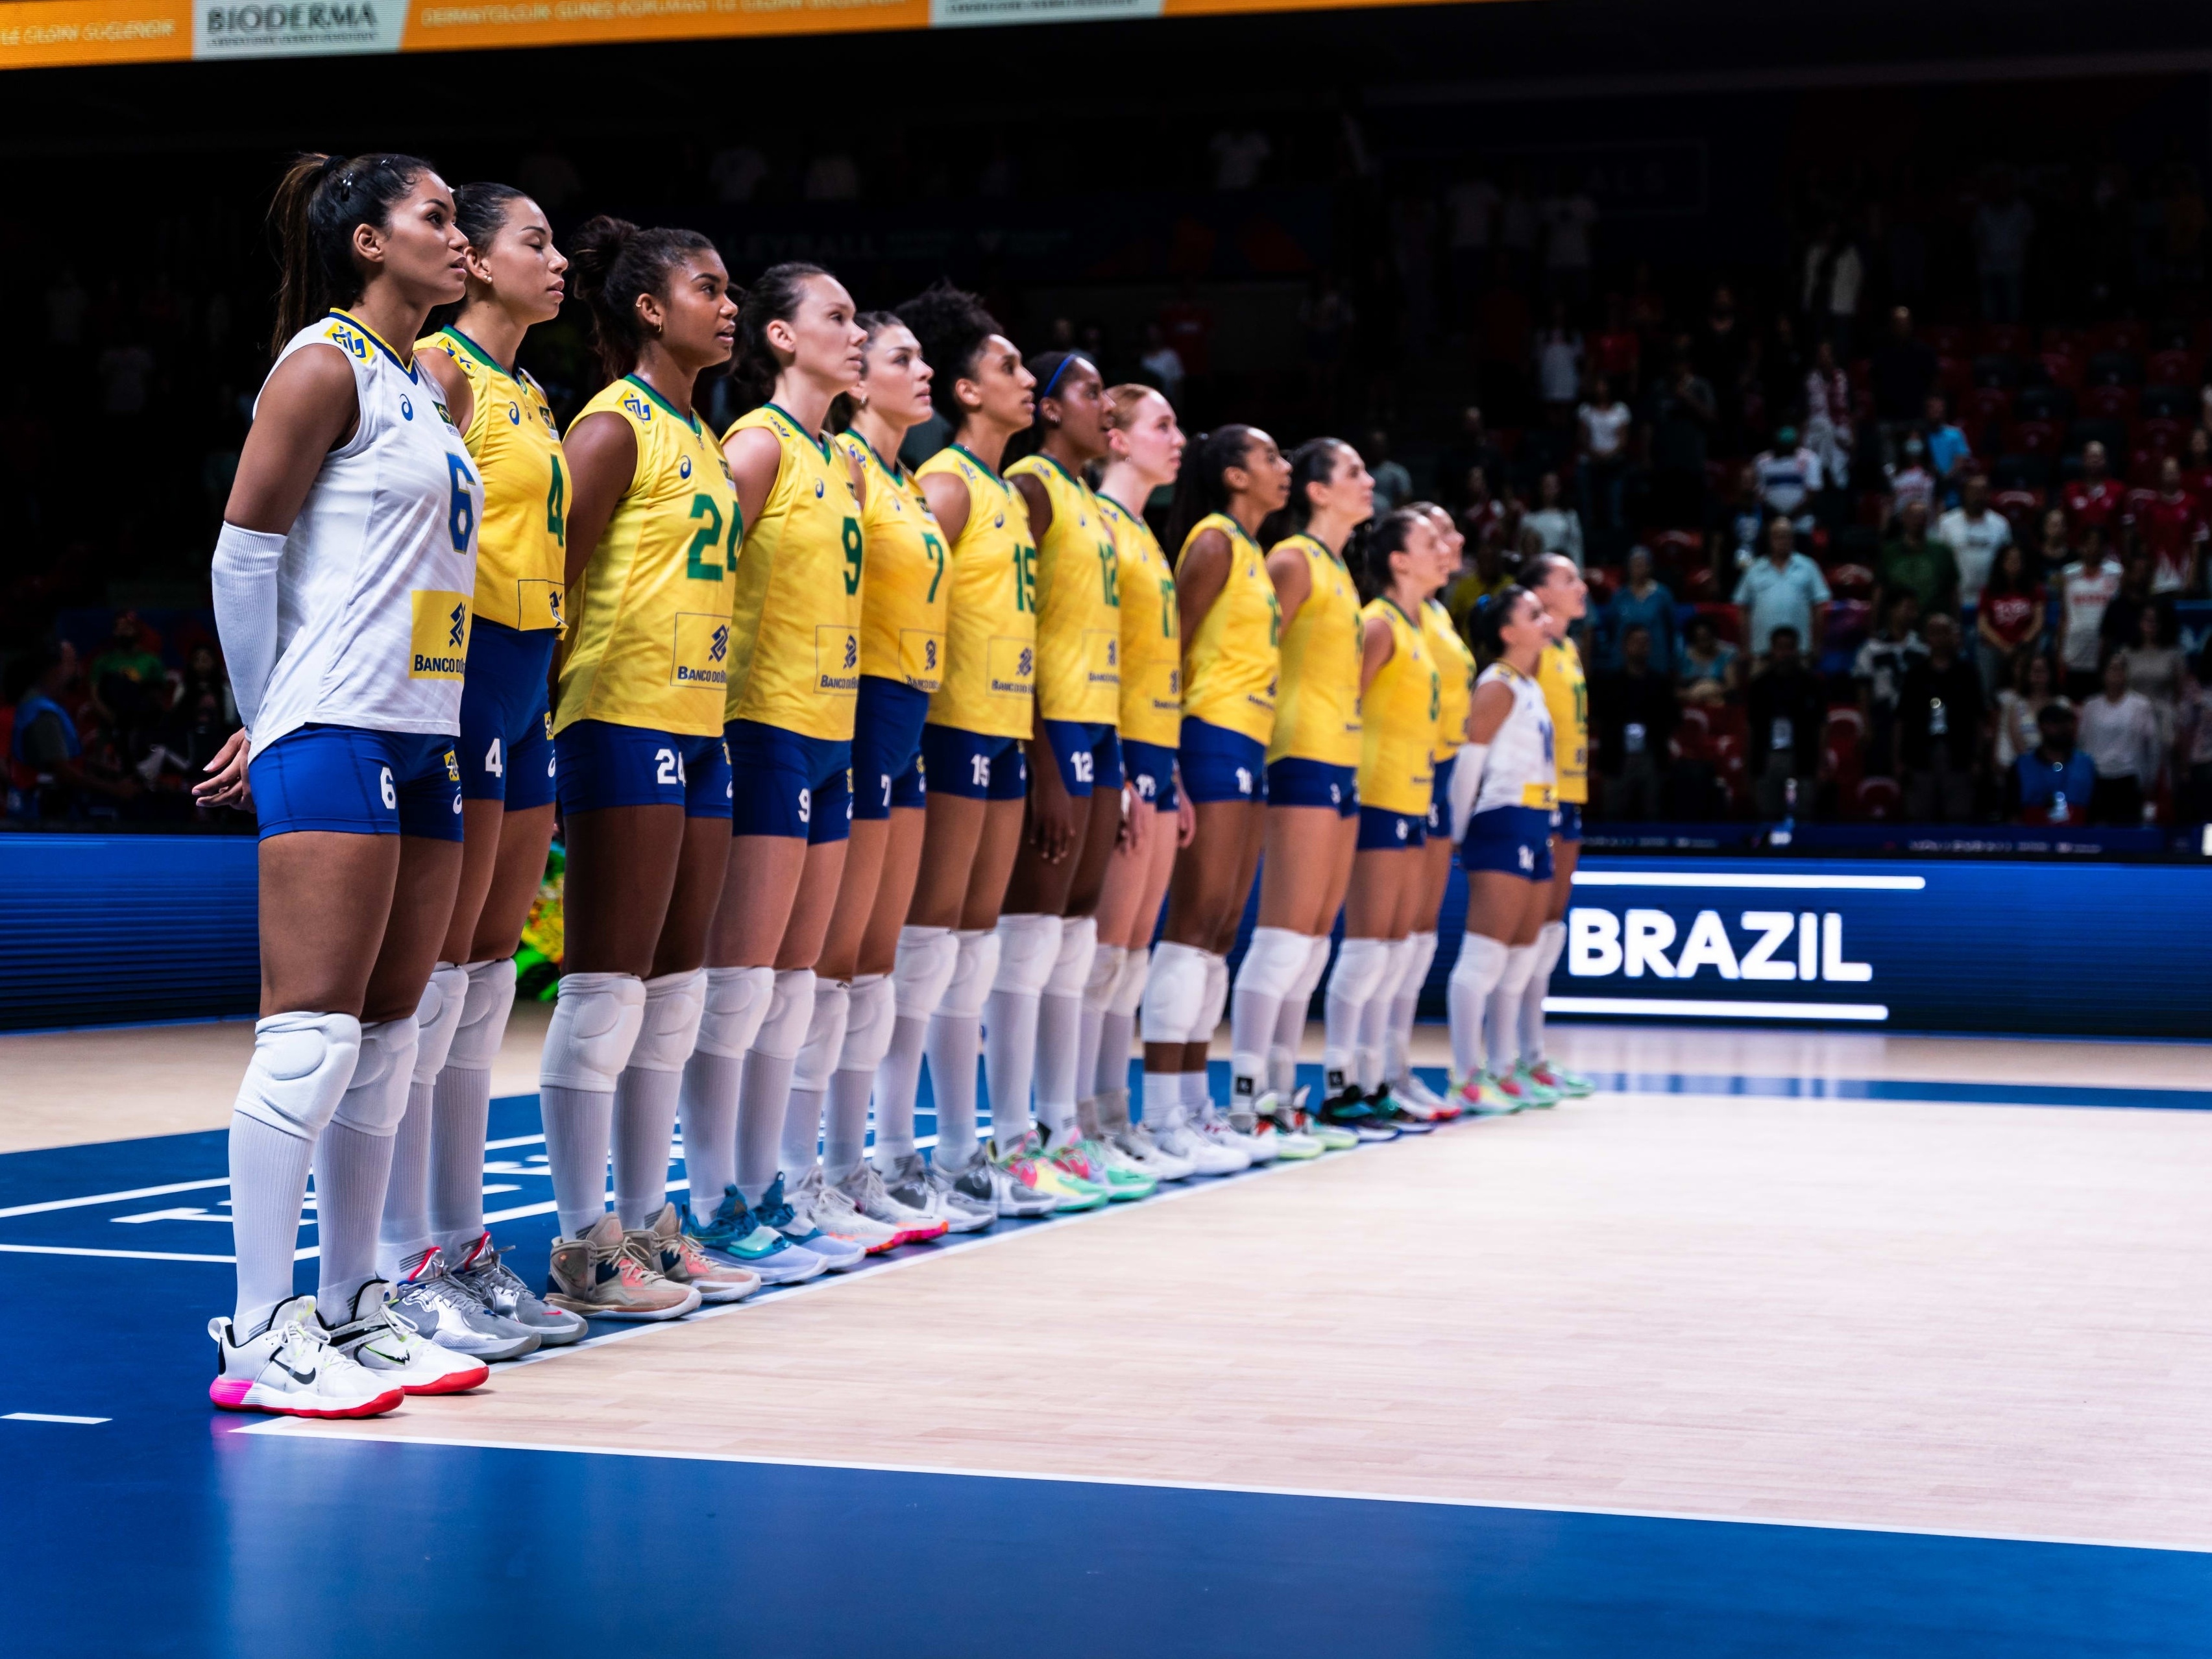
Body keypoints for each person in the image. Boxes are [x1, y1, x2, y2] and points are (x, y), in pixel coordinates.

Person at [198, 153, 496, 1417]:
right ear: (369, 241)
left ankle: (360, 1308)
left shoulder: (430, 391)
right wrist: (264, 717)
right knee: (312, 1036)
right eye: (437, 217)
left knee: (389, 1041)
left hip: (422, 734)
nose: (460, 234)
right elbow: (241, 550)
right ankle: (263, 1331)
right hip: (329, 725)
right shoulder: (322, 365)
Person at [539, 215, 770, 1313]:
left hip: (699, 721)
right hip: (619, 715)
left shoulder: (705, 439)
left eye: (731, 291)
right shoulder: (611, 428)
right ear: (646, 309)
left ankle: (647, 1226)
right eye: (707, 287)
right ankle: (583, 1242)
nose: (728, 306)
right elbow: (551, 584)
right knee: (604, 988)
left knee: (676, 994)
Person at [383, 182, 587, 1347]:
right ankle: (405, 1261)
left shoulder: (527, 392)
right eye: (534, 242)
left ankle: (459, 1244)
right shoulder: (445, 374)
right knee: (430, 986)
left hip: (524, 692)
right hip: (456, 680)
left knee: (485, 984)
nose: (553, 262)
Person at [684, 263, 901, 1274]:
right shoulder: (758, 446)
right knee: (743, 982)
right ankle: (712, 1201)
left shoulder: (844, 464)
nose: (854, 334)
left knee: (798, 983)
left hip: (832, 731)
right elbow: (706, 583)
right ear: (780, 338)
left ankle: (770, 1186)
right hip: (762, 725)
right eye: (838, 317)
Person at [865, 283, 1052, 1222]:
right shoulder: (941, 484)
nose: (1026, 381)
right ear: (970, 393)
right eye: (1008, 367)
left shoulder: (1001, 492)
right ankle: (896, 1150)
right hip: (941, 727)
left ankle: (955, 1147)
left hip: (1006, 726)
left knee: (969, 954)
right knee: (926, 949)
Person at [816, 314, 974, 1242]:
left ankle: (853, 1163)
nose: (923, 372)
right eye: (902, 359)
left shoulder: (910, 481)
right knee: (833, 964)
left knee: (876, 965)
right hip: (856, 706)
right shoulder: (840, 463)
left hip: (907, 710)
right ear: (856, 377)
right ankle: (805, 1175)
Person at [999, 352, 1156, 1202]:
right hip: (1048, 727)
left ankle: (1061, 1131)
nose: (1105, 405)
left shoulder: (1093, 508)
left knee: (1074, 948)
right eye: (1091, 392)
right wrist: (1040, 755)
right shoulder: (1029, 485)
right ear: (1053, 408)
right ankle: (1010, 1140)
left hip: (1100, 730)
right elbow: (1004, 617)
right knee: (1027, 946)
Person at [1143, 425, 1291, 1170]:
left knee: (1222, 929)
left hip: (1248, 740)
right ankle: (1162, 1113)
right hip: (1207, 737)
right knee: (1193, 923)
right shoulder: (1213, 543)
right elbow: (1170, 648)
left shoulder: (1253, 550)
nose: (1283, 468)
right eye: (1270, 457)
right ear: (1234, 475)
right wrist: (1165, 759)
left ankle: (1194, 1104)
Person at [1230, 437, 1374, 1154]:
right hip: (1294, 756)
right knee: (1284, 936)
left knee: (1313, 942)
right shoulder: (1291, 560)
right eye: (1353, 472)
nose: (1368, 480)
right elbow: (1252, 653)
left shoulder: (1338, 570)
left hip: (1339, 760)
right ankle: (1246, 1099)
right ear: (1318, 490)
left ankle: (1283, 1097)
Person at [1083, 385, 1200, 1178]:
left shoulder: (1148, 537)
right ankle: (1076, 1124)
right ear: (1116, 439)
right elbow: (1094, 659)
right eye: (1162, 425)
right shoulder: (1098, 526)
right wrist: (1118, 762)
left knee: (1129, 956)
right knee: (1099, 955)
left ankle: (1113, 1118)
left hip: (1158, 760)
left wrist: (1173, 770)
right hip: (1116, 759)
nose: (1178, 437)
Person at [1318, 508, 1448, 1136]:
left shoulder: (1418, 625)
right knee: (1369, 948)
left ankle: (1374, 1080)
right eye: (1428, 542)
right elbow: (1348, 705)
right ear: (1398, 560)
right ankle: (1342, 1085)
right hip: (1374, 796)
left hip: (1410, 796)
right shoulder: (1379, 624)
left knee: (1392, 952)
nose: (1442, 548)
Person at [1443, 587, 1557, 1113]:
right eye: (1533, 614)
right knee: (1485, 956)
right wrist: (1458, 832)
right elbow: (1469, 764)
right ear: (1508, 632)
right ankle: (1465, 1073)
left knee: (1519, 957)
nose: (1545, 619)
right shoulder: (1497, 685)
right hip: (1501, 819)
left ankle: (1503, 1065)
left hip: (1536, 821)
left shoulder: (1529, 685)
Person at [1386, 500, 1479, 1113]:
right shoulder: (1397, 618)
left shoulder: (1438, 614)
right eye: (1439, 534)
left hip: (1438, 774)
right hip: (1404, 772)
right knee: (1393, 939)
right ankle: (1378, 1072)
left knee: (1418, 940)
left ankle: (1396, 1068)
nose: (1455, 541)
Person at [1516, 552, 1597, 1102]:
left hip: (1570, 796)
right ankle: (1509, 1056)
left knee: (1549, 932)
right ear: (1540, 595)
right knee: (1523, 934)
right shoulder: (1534, 650)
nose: (1581, 586)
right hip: (1536, 799)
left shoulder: (1567, 648)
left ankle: (1533, 1052)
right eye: (1567, 579)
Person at [9, 640, 138, 819]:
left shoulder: (50, 706)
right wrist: (115, 789)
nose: (78, 669)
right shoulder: (43, 713)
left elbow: (66, 760)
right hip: (41, 816)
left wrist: (105, 769)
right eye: (72, 662)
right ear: (56, 668)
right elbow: (63, 773)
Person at [1897, 612, 1984, 821]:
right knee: (1920, 817)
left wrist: (1977, 758)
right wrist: (1899, 759)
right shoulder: (1915, 675)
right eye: (1934, 633)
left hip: (1958, 755)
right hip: (1921, 755)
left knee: (1958, 817)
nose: (1939, 638)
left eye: (1944, 632)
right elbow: (1902, 719)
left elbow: (1978, 719)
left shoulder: (1967, 673)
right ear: (1927, 638)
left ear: (1953, 636)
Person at [1591, 622, 1678, 818]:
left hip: (1651, 756)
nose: (1641, 646)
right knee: (1613, 813)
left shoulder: (1660, 682)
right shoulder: (1609, 683)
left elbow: (1673, 718)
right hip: (1617, 756)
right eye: (1635, 642)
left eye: (1645, 642)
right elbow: (1598, 718)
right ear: (1624, 646)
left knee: (1653, 811)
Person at [1745, 625, 1825, 818]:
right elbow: (1750, 726)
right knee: (1768, 813)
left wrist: (1821, 761)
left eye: (1789, 648)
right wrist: (1748, 765)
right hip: (1767, 755)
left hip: (1803, 755)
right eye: (1780, 648)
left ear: (1796, 650)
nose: (1785, 653)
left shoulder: (1811, 684)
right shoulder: (1759, 684)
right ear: (1772, 650)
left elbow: (1822, 724)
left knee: (1803, 813)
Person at [2075, 653, 2161, 824]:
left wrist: (2148, 782)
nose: (2117, 674)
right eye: (2112, 669)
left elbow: (2152, 747)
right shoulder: (2091, 706)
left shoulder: (2140, 705)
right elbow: (2082, 744)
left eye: (2121, 669)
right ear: (2103, 673)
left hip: (2129, 779)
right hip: (2098, 779)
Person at [1735, 515, 1832, 659]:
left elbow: (1818, 608)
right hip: (1761, 650)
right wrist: (1745, 647)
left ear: (1793, 539)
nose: (1783, 541)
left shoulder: (1809, 566)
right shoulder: (1754, 569)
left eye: (1787, 536)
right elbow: (1743, 609)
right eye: (1778, 536)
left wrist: (1816, 644)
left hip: (1800, 650)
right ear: (1770, 539)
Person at [1853, 590, 1925, 775]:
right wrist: (1866, 724)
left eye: (1915, 609)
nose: (1913, 613)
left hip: (1915, 719)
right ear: (1892, 610)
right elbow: (1863, 689)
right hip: (1883, 718)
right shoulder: (1871, 648)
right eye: (1908, 608)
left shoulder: (1922, 648)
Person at [2057, 527, 2124, 700]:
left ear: (2105, 547)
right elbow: (2064, 615)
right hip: (2075, 649)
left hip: (2105, 652)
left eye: (2097, 544)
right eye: (2089, 544)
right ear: (2081, 546)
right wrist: (2060, 652)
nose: (2093, 548)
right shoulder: (2069, 574)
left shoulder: (2116, 573)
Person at [1934, 471, 2012, 610]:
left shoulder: (2001, 524)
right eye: (1974, 491)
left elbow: (2008, 563)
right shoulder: (1947, 523)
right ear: (1964, 493)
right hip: (1957, 599)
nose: (1978, 496)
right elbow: (1940, 563)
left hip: (1991, 600)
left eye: (1983, 491)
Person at [1976, 541, 2043, 699]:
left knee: (2031, 657)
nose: (2014, 564)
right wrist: (2004, 646)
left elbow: (2038, 622)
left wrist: (2021, 645)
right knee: (1986, 652)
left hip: (2024, 647)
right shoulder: (1989, 590)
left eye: (2018, 560)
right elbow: (1983, 625)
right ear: (2001, 563)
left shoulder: (2034, 590)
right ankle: (1989, 706)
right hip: (1995, 647)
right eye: (2010, 560)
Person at [2008, 701, 2096, 824]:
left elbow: (2097, 813)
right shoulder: (2022, 766)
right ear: (2042, 727)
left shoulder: (2086, 764)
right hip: (2033, 839)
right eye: (2057, 723)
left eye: (2068, 723)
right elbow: (2012, 814)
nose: (2064, 728)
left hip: (2079, 838)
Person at [2131, 455, 2206, 596]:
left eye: (2174, 471)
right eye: (2167, 472)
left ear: (2180, 474)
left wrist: (2192, 572)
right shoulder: (2150, 507)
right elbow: (2144, 543)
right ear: (2160, 475)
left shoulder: (2191, 504)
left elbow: (2196, 542)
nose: (2171, 475)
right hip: (2157, 574)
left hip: (2183, 571)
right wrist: (2147, 574)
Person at [1880, 498, 1959, 620]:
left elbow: (1953, 591)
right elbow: (1880, 590)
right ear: (1903, 518)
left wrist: (1956, 622)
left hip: (1933, 625)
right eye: (1913, 516)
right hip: (1897, 625)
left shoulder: (1943, 551)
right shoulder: (1889, 552)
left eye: (1922, 516)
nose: (1918, 521)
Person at [1601, 545, 1675, 674]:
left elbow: (1671, 629)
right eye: (1635, 564)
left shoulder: (1663, 595)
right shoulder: (1619, 596)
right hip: (1623, 664)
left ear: (1650, 567)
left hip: (1656, 661)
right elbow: (1610, 628)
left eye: (1643, 564)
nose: (1639, 569)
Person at [1576, 373, 1631, 539]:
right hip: (1590, 462)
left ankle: (1614, 542)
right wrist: (1595, 454)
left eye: (1603, 385)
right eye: (1597, 385)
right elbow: (1582, 438)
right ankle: (1589, 537)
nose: (1600, 389)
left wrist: (1608, 455)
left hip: (1614, 463)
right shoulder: (1585, 410)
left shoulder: (1621, 410)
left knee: (1613, 506)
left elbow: (1623, 440)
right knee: (1587, 506)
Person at [1995, 650, 2067, 772]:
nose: (2037, 676)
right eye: (2034, 671)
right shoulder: (2016, 706)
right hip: (2028, 769)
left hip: (2058, 768)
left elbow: (2067, 739)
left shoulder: (2062, 704)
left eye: (2042, 671)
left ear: (2050, 673)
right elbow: (2017, 742)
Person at [1752, 424, 1822, 535]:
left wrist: (1789, 516)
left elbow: (1813, 492)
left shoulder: (1809, 458)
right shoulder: (1762, 460)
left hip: (1801, 524)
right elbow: (1759, 493)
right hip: (1772, 523)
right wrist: (1776, 516)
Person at [1522, 468, 1585, 568]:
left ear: (1560, 488)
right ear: (1540, 488)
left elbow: (1576, 548)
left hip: (1561, 569)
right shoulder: (1529, 518)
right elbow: (1521, 551)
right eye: (1547, 486)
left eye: (1554, 486)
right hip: (1537, 570)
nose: (1550, 490)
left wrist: (1577, 573)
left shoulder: (1570, 516)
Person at [1677, 614, 1740, 708]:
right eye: (1700, 639)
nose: (1705, 644)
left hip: (1719, 697)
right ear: (1693, 639)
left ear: (1714, 636)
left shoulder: (1728, 654)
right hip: (1690, 699)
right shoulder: (1682, 656)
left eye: (1708, 638)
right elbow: (1675, 688)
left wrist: (1710, 692)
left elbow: (1732, 685)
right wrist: (1692, 694)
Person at [2063, 441, 2123, 535]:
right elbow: (2065, 522)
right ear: (2083, 460)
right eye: (2091, 456)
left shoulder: (2118, 490)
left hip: (2109, 548)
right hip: (2077, 548)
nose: (2095, 460)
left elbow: (2125, 526)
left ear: (2106, 461)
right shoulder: (2070, 490)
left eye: (2099, 457)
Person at [1363, 428, 1413, 514]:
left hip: (1388, 520)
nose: (1375, 449)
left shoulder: (1397, 472)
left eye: (1379, 445)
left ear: (1385, 447)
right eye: (1372, 445)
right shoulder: (1360, 473)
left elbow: (1405, 499)